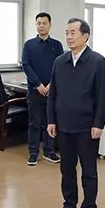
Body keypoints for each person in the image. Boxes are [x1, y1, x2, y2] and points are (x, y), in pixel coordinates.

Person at [47, 18, 105, 208]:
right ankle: (69, 206)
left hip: (87, 126)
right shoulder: (60, 62)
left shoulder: (97, 62)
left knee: (89, 170)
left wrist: (98, 123)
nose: (69, 37)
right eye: (67, 32)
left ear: (85, 36)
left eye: (73, 32)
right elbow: (53, 94)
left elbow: (102, 96)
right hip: (63, 125)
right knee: (66, 169)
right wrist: (51, 120)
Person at [21, 12, 64, 166]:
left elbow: (60, 66)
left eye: (44, 23)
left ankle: (49, 151)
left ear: (50, 25)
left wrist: (51, 84)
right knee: (34, 123)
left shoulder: (57, 45)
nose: (41, 26)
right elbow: (26, 65)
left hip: (52, 91)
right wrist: (38, 84)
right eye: (38, 23)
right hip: (35, 91)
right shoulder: (29, 45)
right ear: (36, 25)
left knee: (50, 122)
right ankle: (33, 153)